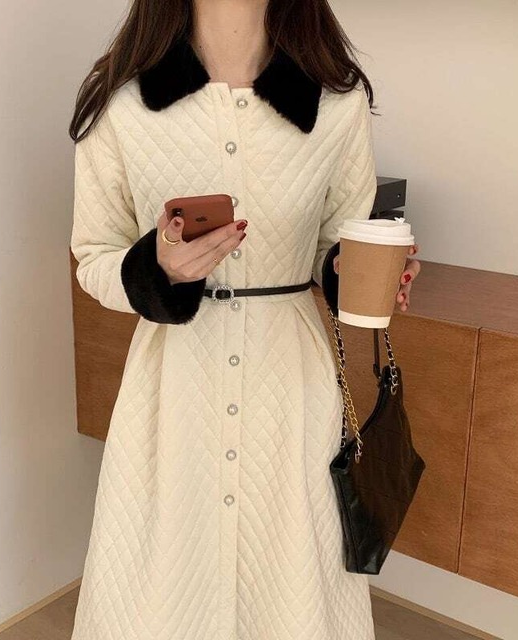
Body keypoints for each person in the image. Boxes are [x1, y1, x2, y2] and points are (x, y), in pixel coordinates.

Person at [68, 0, 420, 638]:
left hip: (292, 388)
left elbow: (334, 245)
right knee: (162, 593)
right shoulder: (120, 103)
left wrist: (359, 270)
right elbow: (94, 256)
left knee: (292, 588)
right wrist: (159, 268)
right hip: (173, 388)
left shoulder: (336, 104)